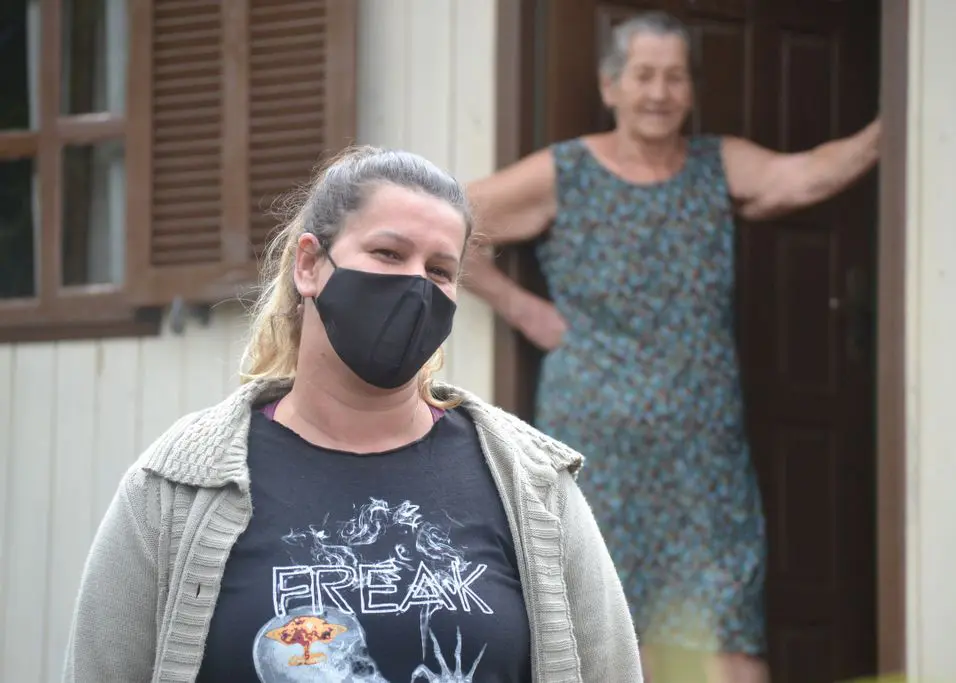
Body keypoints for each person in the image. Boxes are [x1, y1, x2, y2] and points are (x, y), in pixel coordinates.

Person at [62, 147, 643, 683]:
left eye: (439, 270)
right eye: (389, 254)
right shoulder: (175, 488)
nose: (415, 285)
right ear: (310, 265)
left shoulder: (531, 482)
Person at [464, 11, 881, 683]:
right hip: (597, 440)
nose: (659, 93)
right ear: (611, 87)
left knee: (726, 630)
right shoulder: (565, 172)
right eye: (644, 76)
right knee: (605, 619)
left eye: (675, 77)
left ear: (690, 91)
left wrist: (888, 130)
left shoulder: (718, 164)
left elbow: (801, 176)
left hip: (703, 450)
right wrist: (523, 307)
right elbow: (442, 220)